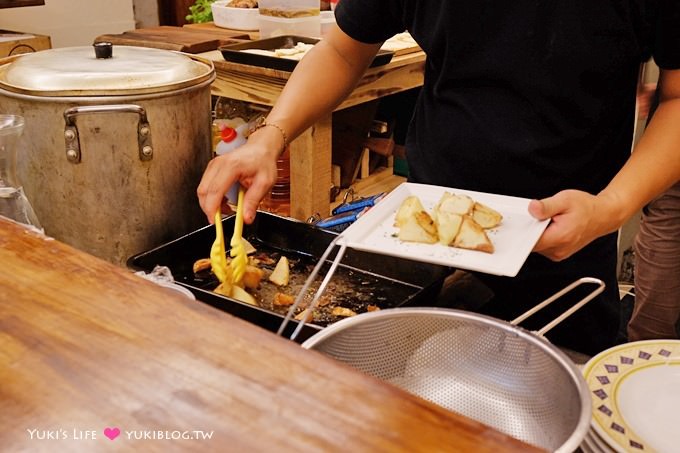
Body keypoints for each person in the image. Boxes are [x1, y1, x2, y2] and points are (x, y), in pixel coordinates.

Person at [198, 1, 680, 355]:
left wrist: (613, 206)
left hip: (569, 236)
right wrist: (268, 137)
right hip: (421, 239)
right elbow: (345, 49)